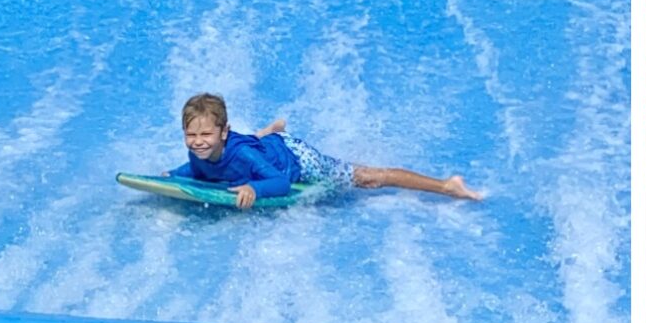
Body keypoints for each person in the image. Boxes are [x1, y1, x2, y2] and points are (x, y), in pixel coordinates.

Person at [169, 93, 481, 210]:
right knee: (252, 145)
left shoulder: (244, 156)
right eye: (191, 134)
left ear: (223, 132)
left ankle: (446, 185)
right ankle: (269, 132)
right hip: (264, 148)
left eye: (206, 134)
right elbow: (198, 171)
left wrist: (253, 187)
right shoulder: (200, 152)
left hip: (297, 160)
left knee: (370, 178)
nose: (198, 141)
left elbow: (280, 183)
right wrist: (171, 176)